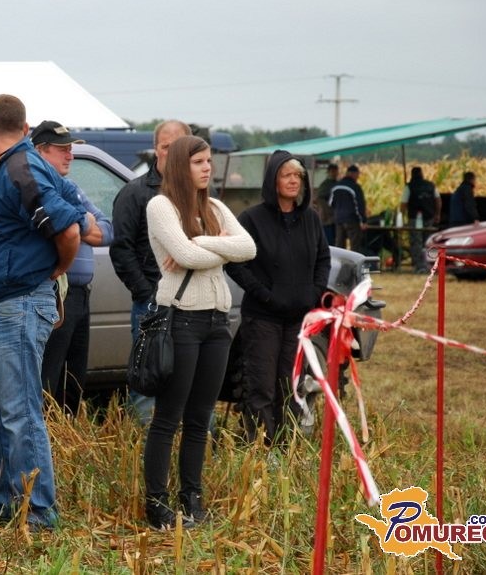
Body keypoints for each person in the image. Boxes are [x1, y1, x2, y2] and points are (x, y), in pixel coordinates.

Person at [0, 94, 92, 530]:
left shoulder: (21, 168)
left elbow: (69, 228)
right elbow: (82, 219)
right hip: (5, 302)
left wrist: (58, 268)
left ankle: (38, 510)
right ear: (25, 129)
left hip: (21, 299)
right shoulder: (19, 166)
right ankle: (6, 502)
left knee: (20, 410)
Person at [143, 135, 256, 529]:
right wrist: (219, 246)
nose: (207, 167)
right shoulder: (161, 206)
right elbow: (185, 256)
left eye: (209, 161)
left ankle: (191, 498)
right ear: (180, 165)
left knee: (200, 418)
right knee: (168, 417)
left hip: (217, 322)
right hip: (182, 320)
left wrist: (202, 240)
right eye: (198, 162)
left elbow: (248, 248)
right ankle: (157, 504)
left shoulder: (216, 208)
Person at [226, 151, 330, 446]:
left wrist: (314, 292)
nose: (294, 181)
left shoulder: (310, 219)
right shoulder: (252, 219)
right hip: (263, 318)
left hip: (298, 318)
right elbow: (234, 263)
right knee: (261, 387)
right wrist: (264, 295)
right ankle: (261, 450)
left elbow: (323, 259)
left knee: (291, 385)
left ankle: (286, 448)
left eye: (298, 176)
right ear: (273, 180)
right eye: (287, 175)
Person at [111, 120, 192, 425]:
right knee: (148, 377)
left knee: (191, 379)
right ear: (156, 149)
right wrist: (146, 293)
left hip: (193, 303)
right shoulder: (134, 193)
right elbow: (121, 249)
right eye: (165, 146)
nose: (171, 153)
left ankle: (197, 443)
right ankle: (143, 442)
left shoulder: (199, 193)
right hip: (152, 303)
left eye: (178, 147)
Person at [32, 120, 113, 417]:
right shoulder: (40, 189)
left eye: (71, 149)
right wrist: (82, 224)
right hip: (57, 293)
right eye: (63, 149)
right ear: (40, 151)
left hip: (79, 294)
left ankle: (66, 437)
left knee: (73, 380)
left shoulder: (71, 188)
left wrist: (80, 225)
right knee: (49, 378)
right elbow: (70, 230)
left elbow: (107, 230)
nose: (71, 155)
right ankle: (47, 437)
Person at [400, 166, 441, 272]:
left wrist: (402, 218)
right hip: (429, 218)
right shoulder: (431, 185)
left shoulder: (409, 187)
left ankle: (418, 265)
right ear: (421, 174)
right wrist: (437, 214)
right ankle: (431, 263)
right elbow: (438, 200)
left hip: (414, 219)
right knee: (430, 242)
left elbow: (403, 204)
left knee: (416, 242)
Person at [330, 164, 367, 252]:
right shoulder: (355, 187)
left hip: (339, 219)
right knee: (355, 245)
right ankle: (354, 261)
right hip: (352, 220)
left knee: (339, 245)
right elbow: (359, 205)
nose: (358, 177)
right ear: (353, 174)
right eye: (357, 174)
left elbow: (331, 203)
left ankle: (340, 261)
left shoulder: (335, 186)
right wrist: (363, 221)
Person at [314, 163, 339, 246]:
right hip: (327, 218)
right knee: (329, 242)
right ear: (328, 172)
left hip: (335, 218)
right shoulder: (325, 184)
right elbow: (319, 199)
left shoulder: (337, 183)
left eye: (336, 171)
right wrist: (328, 211)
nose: (334, 173)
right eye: (332, 171)